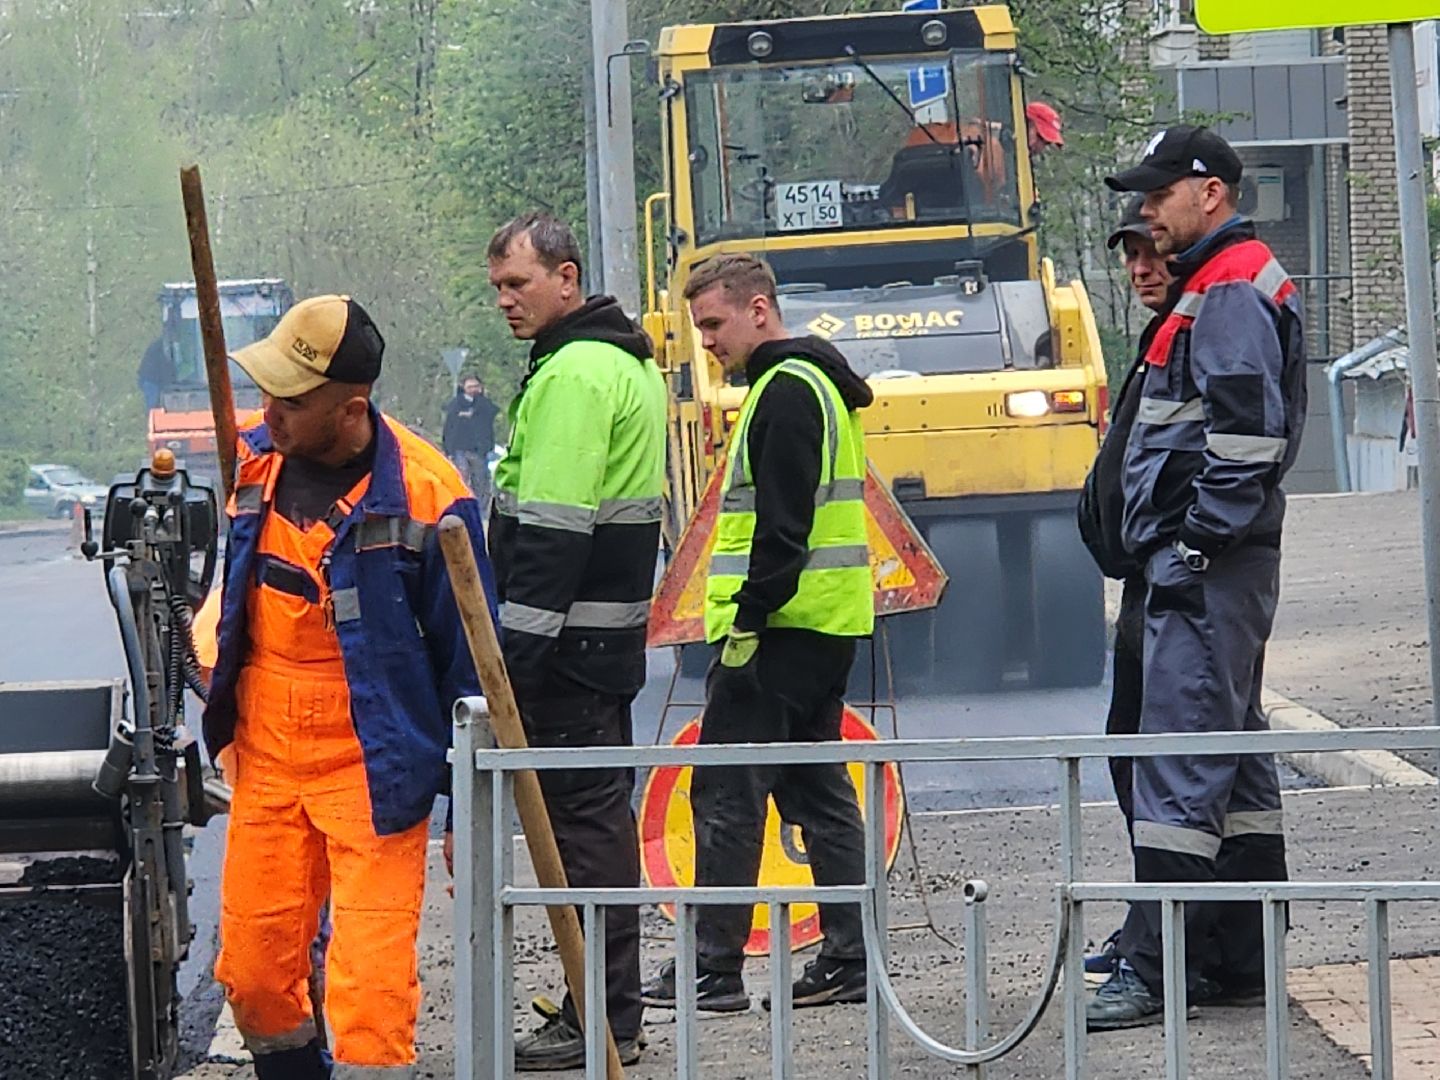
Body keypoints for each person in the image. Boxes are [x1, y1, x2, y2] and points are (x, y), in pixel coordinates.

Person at [203, 293, 494, 1079]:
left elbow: (474, 667)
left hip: (376, 762)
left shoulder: (431, 496)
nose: (272, 412)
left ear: (352, 409)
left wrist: (469, 803)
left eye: (292, 401)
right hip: (267, 754)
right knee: (255, 975)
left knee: (370, 997)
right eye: (267, 393)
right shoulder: (253, 461)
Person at [1086, 126, 1306, 1030]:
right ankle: (1237, 956)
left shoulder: (1228, 288)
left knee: (1175, 767)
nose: (1147, 211)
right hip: (1205, 568)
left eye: (1158, 194)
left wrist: (1194, 549)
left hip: (1204, 571)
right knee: (1232, 764)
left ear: (1208, 192)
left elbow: (1245, 439)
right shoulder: (1219, 283)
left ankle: (1158, 967)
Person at [640, 254, 873, 1013]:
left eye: (714, 323)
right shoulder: (817, 386)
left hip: (775, 633)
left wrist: (745, 621)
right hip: (820, 627)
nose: (707, 341)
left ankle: (713, 971)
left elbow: (782, 528)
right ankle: (849, 957)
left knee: (726, 795)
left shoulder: (786, 392)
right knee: (816, 790)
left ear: (760, 310)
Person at [482, 212, 666, 1069]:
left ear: (567, 277)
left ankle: (604, 1018)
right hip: (603, 647)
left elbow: (552, 539)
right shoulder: (619, 363)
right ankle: (604, 1009)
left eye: (518, 283)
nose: (505, 301)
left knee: (585, 841)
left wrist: (510, 673)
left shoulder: (575, 375)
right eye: (497, 287)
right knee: (598, 830)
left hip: (565, 656)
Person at [1076, 195, 1175, 979]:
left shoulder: (1200, 331)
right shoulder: (1159, 338)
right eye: (1130, 257)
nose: (1140, 269)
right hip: (1149, 578)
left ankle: (1165, 945)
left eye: (1152, 253)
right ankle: (1153, 928)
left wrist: (1190, 551)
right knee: (1132, 752)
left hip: (1176, 581)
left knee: (1167, 770)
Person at [441, 373, 500, 504]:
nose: (473, 389)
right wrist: (447, 449)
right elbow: (449, 428)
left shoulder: (484, 405)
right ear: (463, 387)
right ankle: (462, 505)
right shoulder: (456, 405)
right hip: (459, 449)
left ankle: (480, 509)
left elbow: (492, 415)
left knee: (480, 482)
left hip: (479, 450)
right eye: (470, 387)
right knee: (461, 479)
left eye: (476, 386)